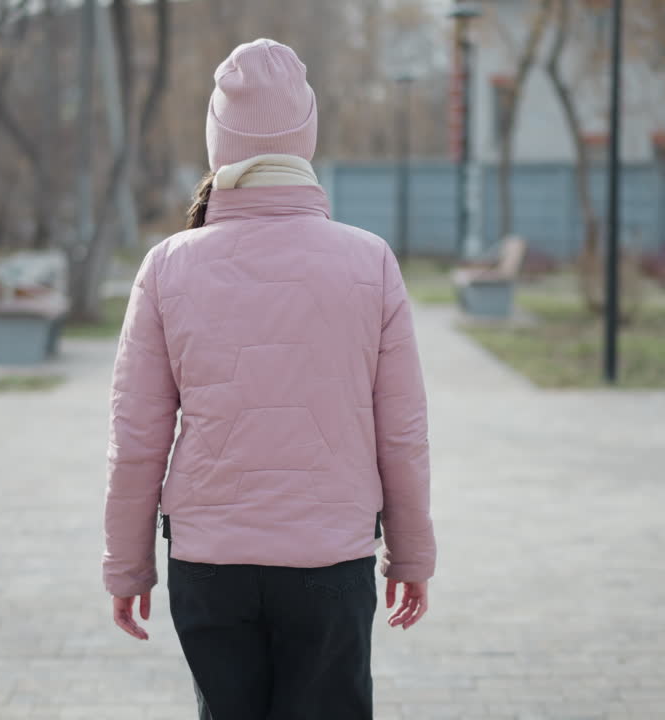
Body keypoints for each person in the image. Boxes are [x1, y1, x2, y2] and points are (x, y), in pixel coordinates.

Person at [101, 39, 435, 719]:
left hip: (209, 566)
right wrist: (412, 555)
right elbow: (401, 432)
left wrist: (128, 565)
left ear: (217, 141)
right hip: (331, 565)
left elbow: (136, 437)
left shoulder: (167, 265)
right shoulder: (369, 262)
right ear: (304, 138)